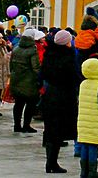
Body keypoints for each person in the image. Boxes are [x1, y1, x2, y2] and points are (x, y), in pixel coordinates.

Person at [42, 30, 78, 174]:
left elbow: (43, 72)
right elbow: (72, 76)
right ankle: (52, 162)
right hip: (63, 96)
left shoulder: (48, 54)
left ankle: (50, 162)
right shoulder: (67, 56)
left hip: (50, 94)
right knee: (58, 129)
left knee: (50, 129)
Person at [10, 28, 41, 133]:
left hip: (16, 80)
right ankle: (26, 125)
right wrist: (39, 78)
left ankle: (17, 125)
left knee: (18, 104)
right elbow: (36, 67)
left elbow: (11, 65)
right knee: (30, 104)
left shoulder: (16, 48)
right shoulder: (33, 50)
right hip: (29, 81)